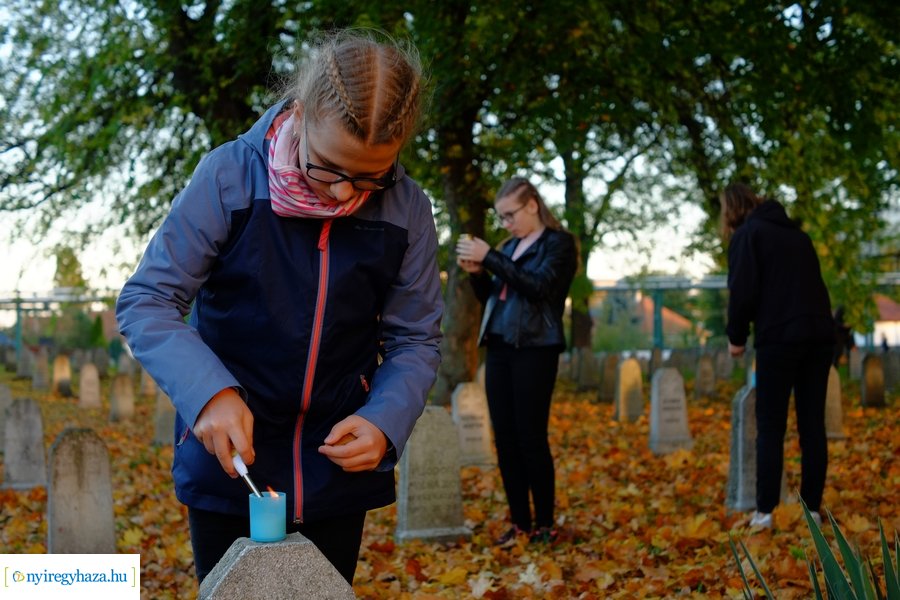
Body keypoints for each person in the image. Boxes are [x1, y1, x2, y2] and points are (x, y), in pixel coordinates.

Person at [116, 29, 442, 585]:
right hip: (231, 463)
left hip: (335, 471)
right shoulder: (229, 176)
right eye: (328, 167)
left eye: (369, 176)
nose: (343, 193)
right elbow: (148, 300)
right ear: (303, 111)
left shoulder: (407, 208)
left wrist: (384, 421)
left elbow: (416, 338)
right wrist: (209, 394)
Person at [455, 178, 577, 546]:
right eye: (501, 217)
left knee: (530, 437)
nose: (506, 224)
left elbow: (539, 287)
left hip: (536, 349)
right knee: (505, 440)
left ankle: (545, 524)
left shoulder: (559, 243)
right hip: (501, 348)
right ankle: (520, 523)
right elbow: (494, 297)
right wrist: (478, 274)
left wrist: (490, 257)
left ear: (532, 206)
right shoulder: (509, 246)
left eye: (510, 215)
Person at [721, 182, 834, 529]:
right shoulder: (799, 237)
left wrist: (736, 337)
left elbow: (742, 292)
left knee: (770, 425)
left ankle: (766, 511)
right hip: (818, 334)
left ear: (732, 209)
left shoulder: (748, 236)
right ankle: (811, 509)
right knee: (812, 424)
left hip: (779, 338)